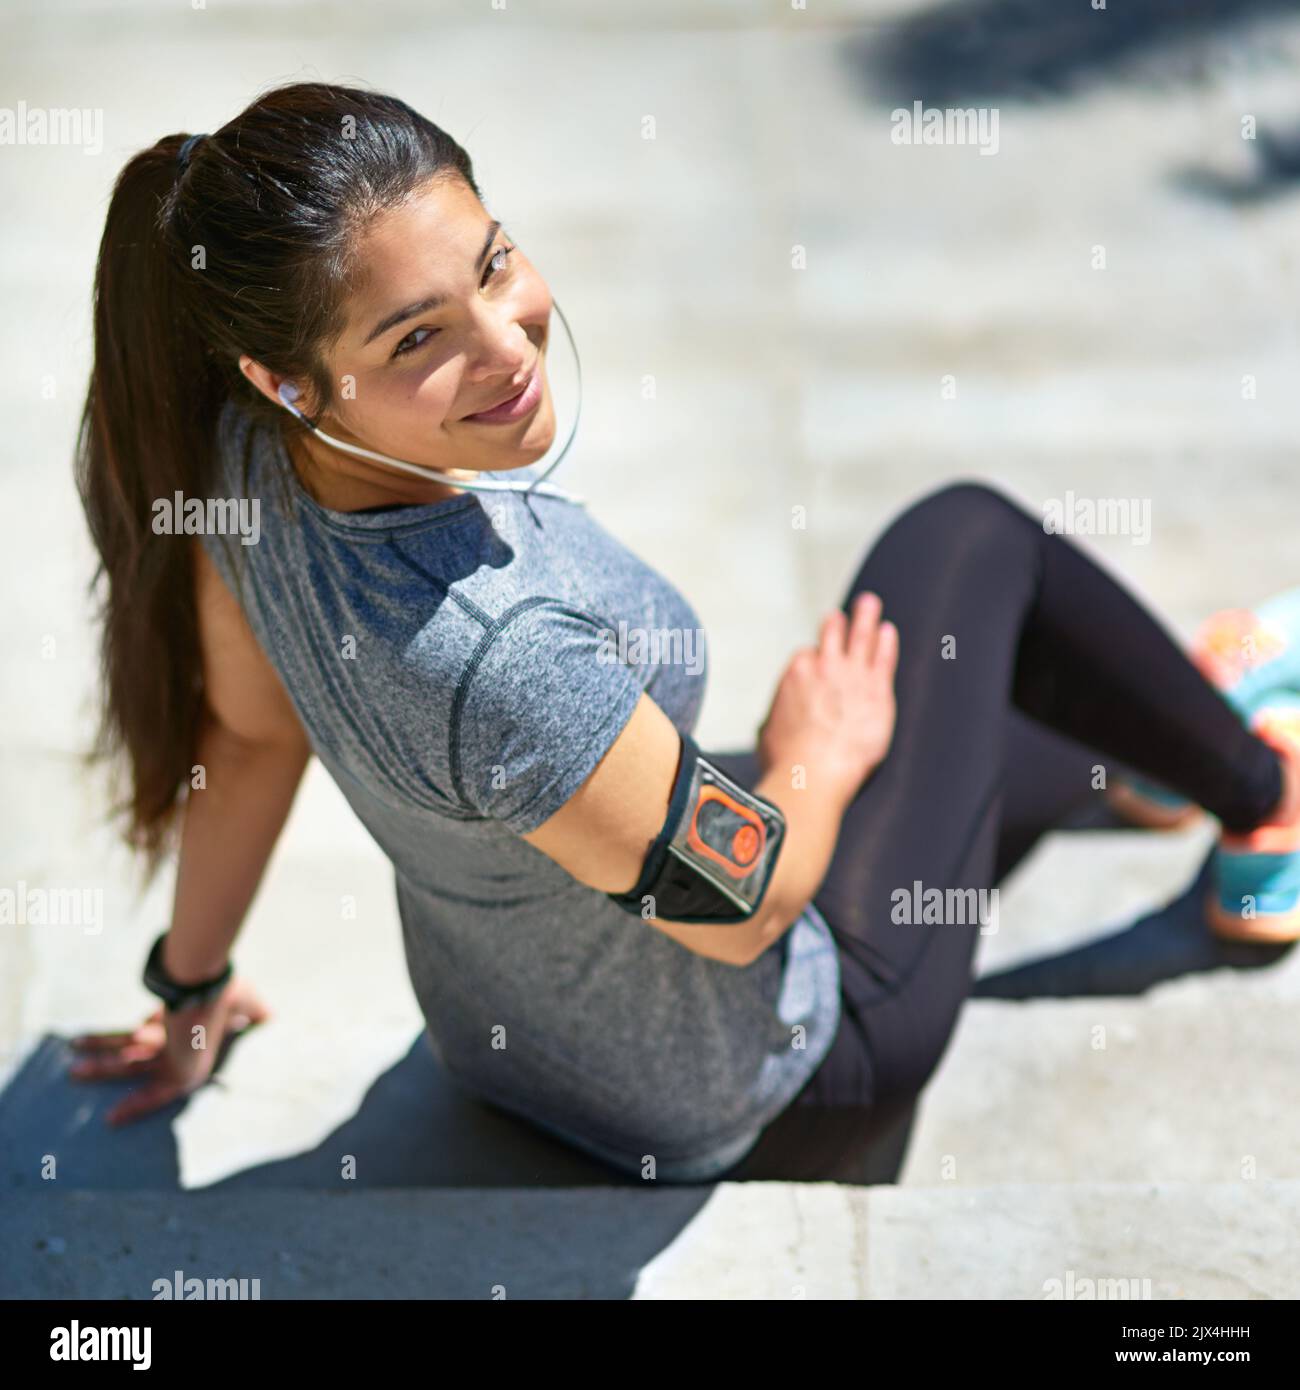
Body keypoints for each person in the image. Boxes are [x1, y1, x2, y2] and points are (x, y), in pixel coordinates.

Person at [67, 80, 1300, 1186]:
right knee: (968, 542)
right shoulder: (508, 665)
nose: (506, 349)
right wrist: (815, 752)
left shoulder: (243, 460)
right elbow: (747, 904)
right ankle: (1264, 795)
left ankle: (1147, 754)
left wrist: (190, 985)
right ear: (290, 378)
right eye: (417, 340)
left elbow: (245, 736)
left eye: (493, 267)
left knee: (990, 707)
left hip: (515, 1050)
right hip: (775, 1063)